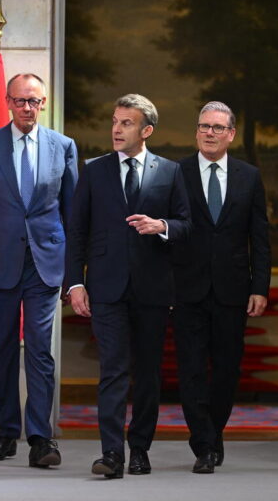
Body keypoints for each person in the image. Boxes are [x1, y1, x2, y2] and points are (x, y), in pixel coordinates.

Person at [0, 73, 78, 468]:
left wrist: (75, 273)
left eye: (35, 101)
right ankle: (7, 431)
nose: (28, 108)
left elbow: (74, 214)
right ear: (8, 102)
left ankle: (40, 438)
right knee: (3, 348)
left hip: (45, 265)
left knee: (40, 350)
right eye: (21, 101)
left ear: (44, 104)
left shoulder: (64, 147)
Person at [65, 94, 191, 479]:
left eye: (127, 123)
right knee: (113, 370)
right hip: (106, 288)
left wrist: (163, 226)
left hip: (153, 289)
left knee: (149, 373)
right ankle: (111, 453)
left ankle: (140, 449)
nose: (117, 129)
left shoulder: (170, 172)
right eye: (115, 121)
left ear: (146, 130)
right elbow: (77, 232)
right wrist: (75, 283)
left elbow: (187, 224)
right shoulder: (94, 169)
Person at [171, 102, 271, 474]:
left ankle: (213, 433)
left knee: (227, 370)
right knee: (191, 369)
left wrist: (259, 286)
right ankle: (204, 444)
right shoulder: (176, 173)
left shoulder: (249, 177)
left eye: (217, 127)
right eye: (203, 127)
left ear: (230, 133)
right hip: (186, 289)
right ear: (196, 132)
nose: (209, 133)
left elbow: (259, 238)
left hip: (233, 291)